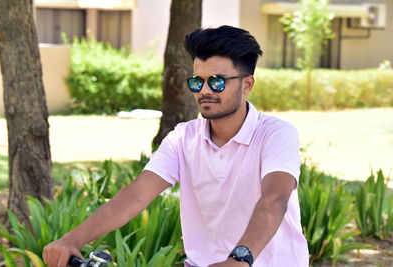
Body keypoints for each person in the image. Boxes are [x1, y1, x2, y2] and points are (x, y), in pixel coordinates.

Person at [43, 25, 309, 267]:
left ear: (247, 84)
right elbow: (137, 194)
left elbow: (274, 200)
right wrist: (70, 240)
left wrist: (240, 259)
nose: (205, 91)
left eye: (216, 82)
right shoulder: (184, 138)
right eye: (197, 82)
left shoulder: (275, 134)